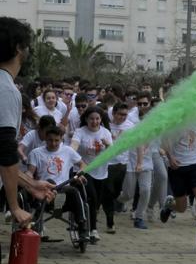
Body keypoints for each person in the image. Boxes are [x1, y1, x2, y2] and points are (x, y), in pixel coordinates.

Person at [0, 17, 56, 232]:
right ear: (18, 48)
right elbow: (5, 151)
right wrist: (14, 207)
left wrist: (30, 184)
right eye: (27, 46)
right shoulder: (5, 89)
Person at [159, 120, 196, 253]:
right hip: (177, 166)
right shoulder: (177, 119)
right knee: (181, 207)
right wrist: (170, 158)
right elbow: (164, 140)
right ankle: (170, 205)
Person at [27, 126, 89, 241]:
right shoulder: (36, 153)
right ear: (45, 138)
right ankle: (35, 223)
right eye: (50, 140)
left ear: (61, 139)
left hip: (64, 190)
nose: (53, 143)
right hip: (44, 191)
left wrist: (81, 172)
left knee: (75, 191)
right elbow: (30, 172)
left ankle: (83, 229)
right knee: (49, 182)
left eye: (57, 140)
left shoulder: (68, 151)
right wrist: (29, 179)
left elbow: (83, 164)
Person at [71, 106, 113, 241]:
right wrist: (71, 152)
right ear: (86, 119)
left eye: (97, 119)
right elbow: (73, 147)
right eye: (91, 119)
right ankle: (93, 229)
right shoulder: (80, 131)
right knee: (92, 198)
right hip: (83, 171)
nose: (94, 121)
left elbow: (112, 152)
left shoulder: (105, 132)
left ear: (101, 119)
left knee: (96, 202)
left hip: (101, 172)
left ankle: (88, 222)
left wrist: (107, 145)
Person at [105, 102, 135, 233]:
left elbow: (137, 143)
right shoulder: (106, 125)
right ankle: (110, 221)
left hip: (123, 164)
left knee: (119, 193)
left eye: (125, 115)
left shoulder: (130, 126)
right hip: (107, 164)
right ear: (113, 113)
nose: (123, 117)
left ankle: (114, 204)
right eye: (120, 114)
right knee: (109, 192)